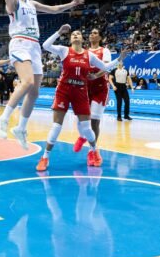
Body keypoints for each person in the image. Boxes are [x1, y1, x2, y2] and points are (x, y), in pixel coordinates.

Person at [0, 0, 85, 149]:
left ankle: (21, 128)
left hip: (34, 46)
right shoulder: (12, 3)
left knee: (34, 92)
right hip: (19, 43)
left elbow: (53, 9)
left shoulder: (31, 3)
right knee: (26, 82)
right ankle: (3, 118)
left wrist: (71, 4)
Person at [36, 24, 123, 171]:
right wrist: (58, 32)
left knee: (87, 127)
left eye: (78, 34)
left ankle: (95, 150)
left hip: (81, 91)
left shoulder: (89, 55)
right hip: (64, 90)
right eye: (73, 34)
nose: (75, 35)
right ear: (70, 39)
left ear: (82, 39)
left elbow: (105, 67)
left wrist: (119, 58)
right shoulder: (64, 50)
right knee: (57, 126)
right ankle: (45, 157)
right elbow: (45, 45)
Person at [85, 28, 111, 143]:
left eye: (95, 33)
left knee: (94, 121)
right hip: (86, 88)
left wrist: (95, 76)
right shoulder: (84, 52)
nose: (92, 34)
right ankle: (86, 139)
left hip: (100, 88)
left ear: (100, 38)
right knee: (84, 120)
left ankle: (93, 149)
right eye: (91, 32)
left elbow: (106, 68)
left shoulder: (104, 51)